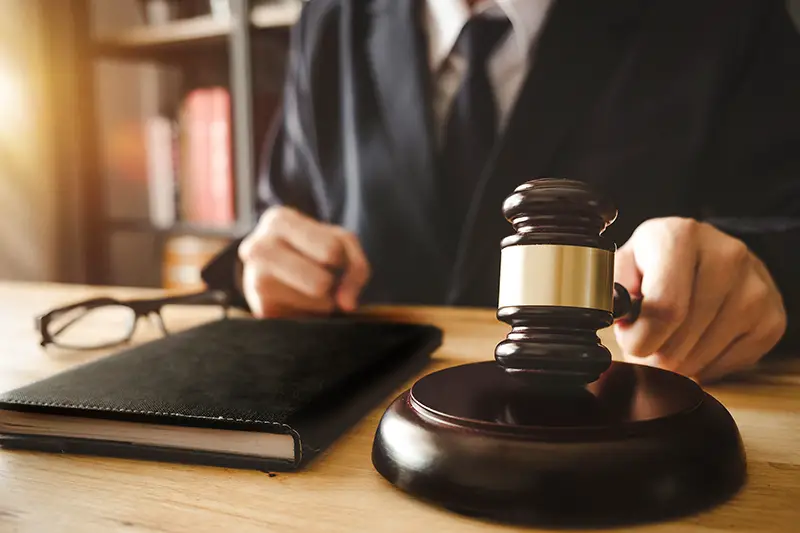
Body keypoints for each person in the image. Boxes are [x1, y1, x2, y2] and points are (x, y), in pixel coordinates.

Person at [202, 0, 800, 383]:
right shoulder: (332, 16)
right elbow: (277, 219)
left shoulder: (727, 16)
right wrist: (265, 265)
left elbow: (786, 230)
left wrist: (758, 274)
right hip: (356, 430)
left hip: (614, 430)